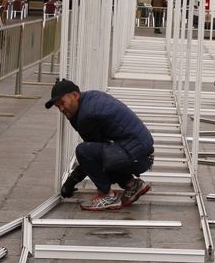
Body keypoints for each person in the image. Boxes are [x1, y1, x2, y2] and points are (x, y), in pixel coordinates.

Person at [45, 78, 155, 211]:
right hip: (141, 152)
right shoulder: (90, 98)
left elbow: (91, 156)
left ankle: (106, 195)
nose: (62, 109)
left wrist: (72, 181)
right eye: (58, 107)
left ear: (75, 95)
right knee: (101, 151)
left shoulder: (86, 116)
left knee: (83, 151)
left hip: (137, 156)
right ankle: (132, 185)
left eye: (63, 103)